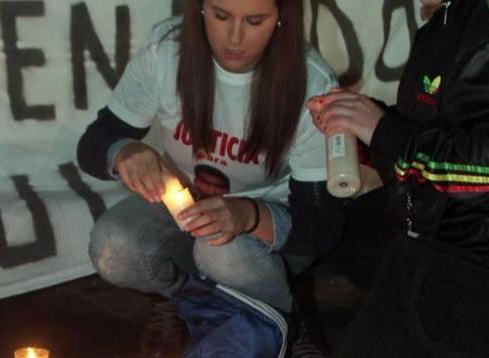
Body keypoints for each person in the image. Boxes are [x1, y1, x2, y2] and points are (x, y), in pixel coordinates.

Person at [309, 0, 489, 358]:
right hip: (437, 224)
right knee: (334, 233)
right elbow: (446, 127)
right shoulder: (448, 17)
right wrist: (362, 121)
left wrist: (386, 132)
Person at [78, 0, 345, 323]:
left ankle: (280, 321)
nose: (234, 38)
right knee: (114, 247)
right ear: (200, 8)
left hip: (275, 216)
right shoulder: (168, 50)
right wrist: (122, 153)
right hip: (184, 201)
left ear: (281, 18)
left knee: (220, 249)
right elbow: (93, 143)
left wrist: (248, 215)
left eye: (255, 20)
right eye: (220, 16)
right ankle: (192, 303)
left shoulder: (313, 84)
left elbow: (321, 228)